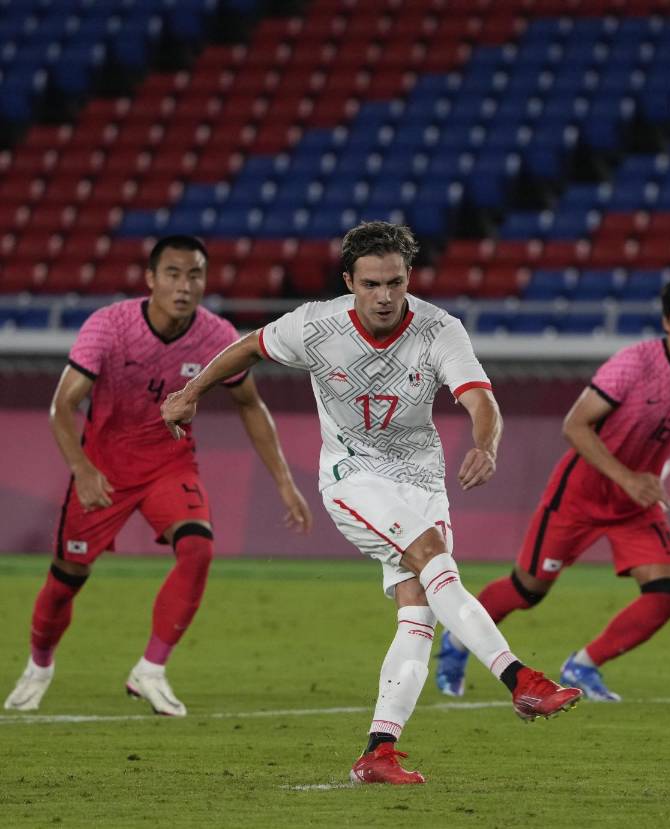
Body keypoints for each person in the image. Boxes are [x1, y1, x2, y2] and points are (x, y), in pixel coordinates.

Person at [159, 221, 581, 786]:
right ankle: (521, 680)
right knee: (435, 560)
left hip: (421, 478)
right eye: (372, 284)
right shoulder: (316, 324)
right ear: (349, 282)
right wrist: (191, 393)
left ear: (409, 279)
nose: (385, 296)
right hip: (351, 475)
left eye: (395, 283)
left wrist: (485, 444)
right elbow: (248, 348)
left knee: (418, 611)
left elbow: (481, 400)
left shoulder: (438, 329)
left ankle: (377, 752)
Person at [4, 235, 312, 716]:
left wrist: (285, 482)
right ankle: (39, 665)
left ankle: (150, 670)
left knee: (197, 548)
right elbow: (62, 406)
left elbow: (250, 403)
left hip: (169, 465)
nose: (185, 285)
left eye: (195, 275)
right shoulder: (109, 327)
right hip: (104, 470)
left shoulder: (216, 336)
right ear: (150, 279)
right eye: (173, 273)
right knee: (66, 580)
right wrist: (82, 470)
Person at [436, 276, 670, 702]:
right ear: (667, 322)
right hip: (580, 494)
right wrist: (627, 478)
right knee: (527, 590)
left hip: (635, 504)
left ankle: (583, 665)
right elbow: (575, 425)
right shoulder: (634, 364)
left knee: (667, 592)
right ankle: (457, 643)